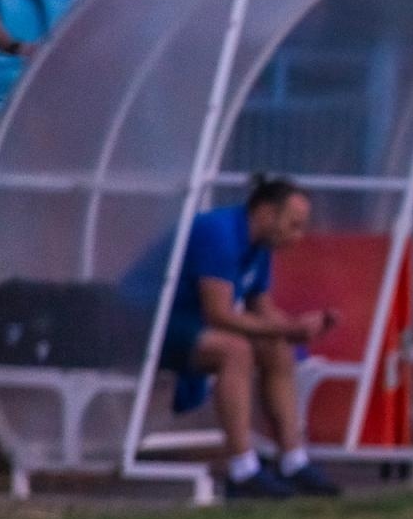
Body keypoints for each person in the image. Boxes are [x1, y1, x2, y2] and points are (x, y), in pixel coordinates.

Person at [121, 176, 342, 499]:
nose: (299, 236)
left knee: (276, 348)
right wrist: (290, 329)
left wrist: (301, 329)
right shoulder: (219, 233)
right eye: (294, 225)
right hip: (142, 321)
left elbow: (262, 309)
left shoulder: (260, 246)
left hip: (183, 322)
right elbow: (219, 315)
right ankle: (242, 470)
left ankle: (293, 461)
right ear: (266, 214)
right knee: (234, 350)